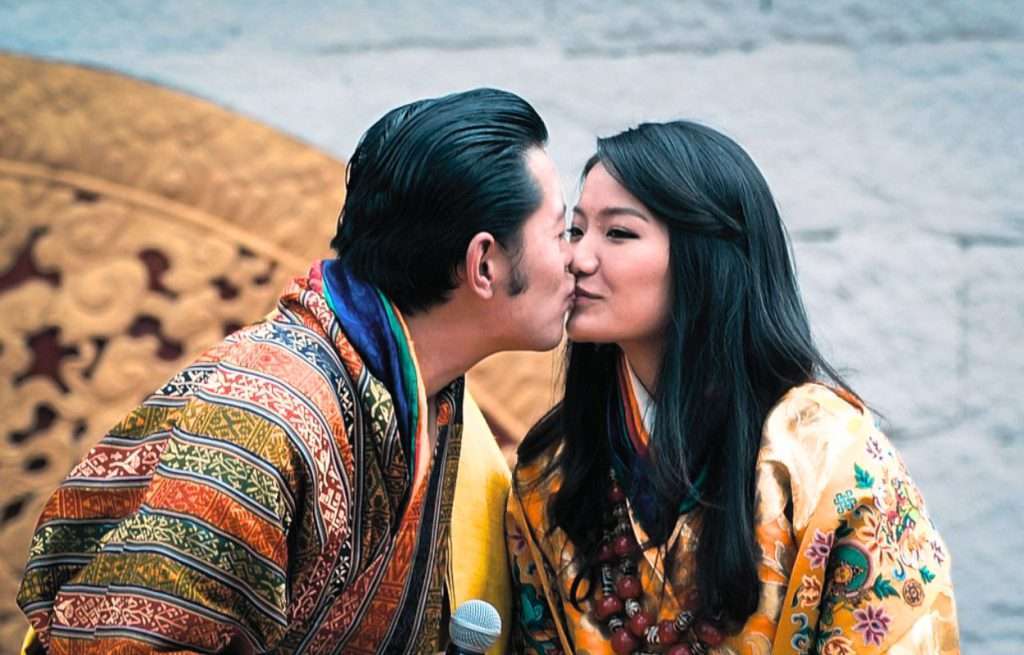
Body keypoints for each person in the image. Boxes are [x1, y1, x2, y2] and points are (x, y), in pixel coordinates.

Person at [18, 88, 575, 654]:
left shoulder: (428, 398)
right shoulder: (259, 421)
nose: (575, 257)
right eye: (559, 233)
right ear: (484, 264)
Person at [506, 121, 959, 654]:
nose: (579, 259)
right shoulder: (552, 472)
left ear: (708, 260)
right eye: (576, 231)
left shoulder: (834, 460)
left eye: (619, 233)